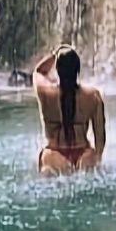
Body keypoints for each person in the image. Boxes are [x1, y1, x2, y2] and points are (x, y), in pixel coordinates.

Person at [33, 43, 105, 173]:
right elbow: (100, 136)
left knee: (48, 169)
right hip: (84, 155)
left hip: (54, 155)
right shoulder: (93, 96)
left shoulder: (45, 92)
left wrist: (55, 53)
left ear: (57, 69)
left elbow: (39, 71)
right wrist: (96, 157)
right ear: (78, 70)